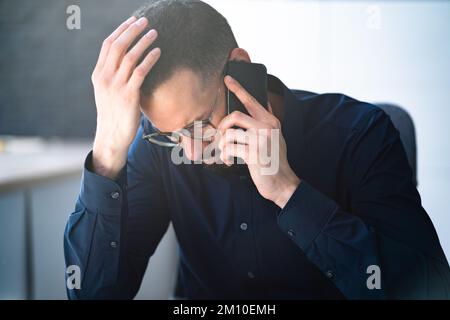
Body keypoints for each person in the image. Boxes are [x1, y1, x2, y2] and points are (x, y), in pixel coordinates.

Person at [64, 0, 450, 299]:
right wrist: (108, 154)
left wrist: (289, 191)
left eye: (200, 124)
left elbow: (428, 290)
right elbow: (94, 293)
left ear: (240, 68)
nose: (191, 152)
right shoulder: (160, 146)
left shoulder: (359, 133)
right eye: (171, 133)